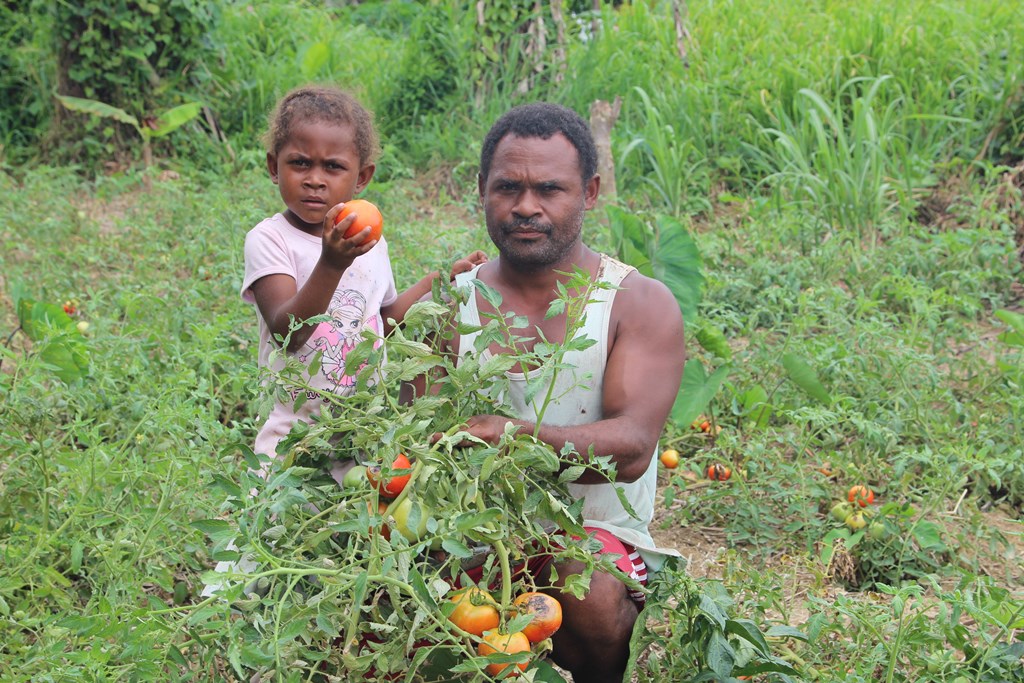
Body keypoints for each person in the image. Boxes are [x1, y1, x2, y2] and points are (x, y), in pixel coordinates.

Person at [410, 103, 686, 683]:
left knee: (578, 577)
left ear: (589, 192)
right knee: (389, 592)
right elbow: (418, 450)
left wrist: (511, 438)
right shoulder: (445, 306)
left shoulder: (637, 302)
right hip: (469, 535)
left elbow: (632, 448)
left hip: (594, 536)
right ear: (482, 189)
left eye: (549, 189)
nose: (526, 206)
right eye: (508, 187)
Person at [241, 84, 486, 479]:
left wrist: (437, 282)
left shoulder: (369, 241)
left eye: (333, 167)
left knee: (356, 529)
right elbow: (289, 331)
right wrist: (332, 264)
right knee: (273, 528)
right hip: (294, 435)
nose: (315, 180)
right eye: (299, 163)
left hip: (363, 428)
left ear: (362, 177)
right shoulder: (270, 240)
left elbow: (382, 320)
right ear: (273, 166)